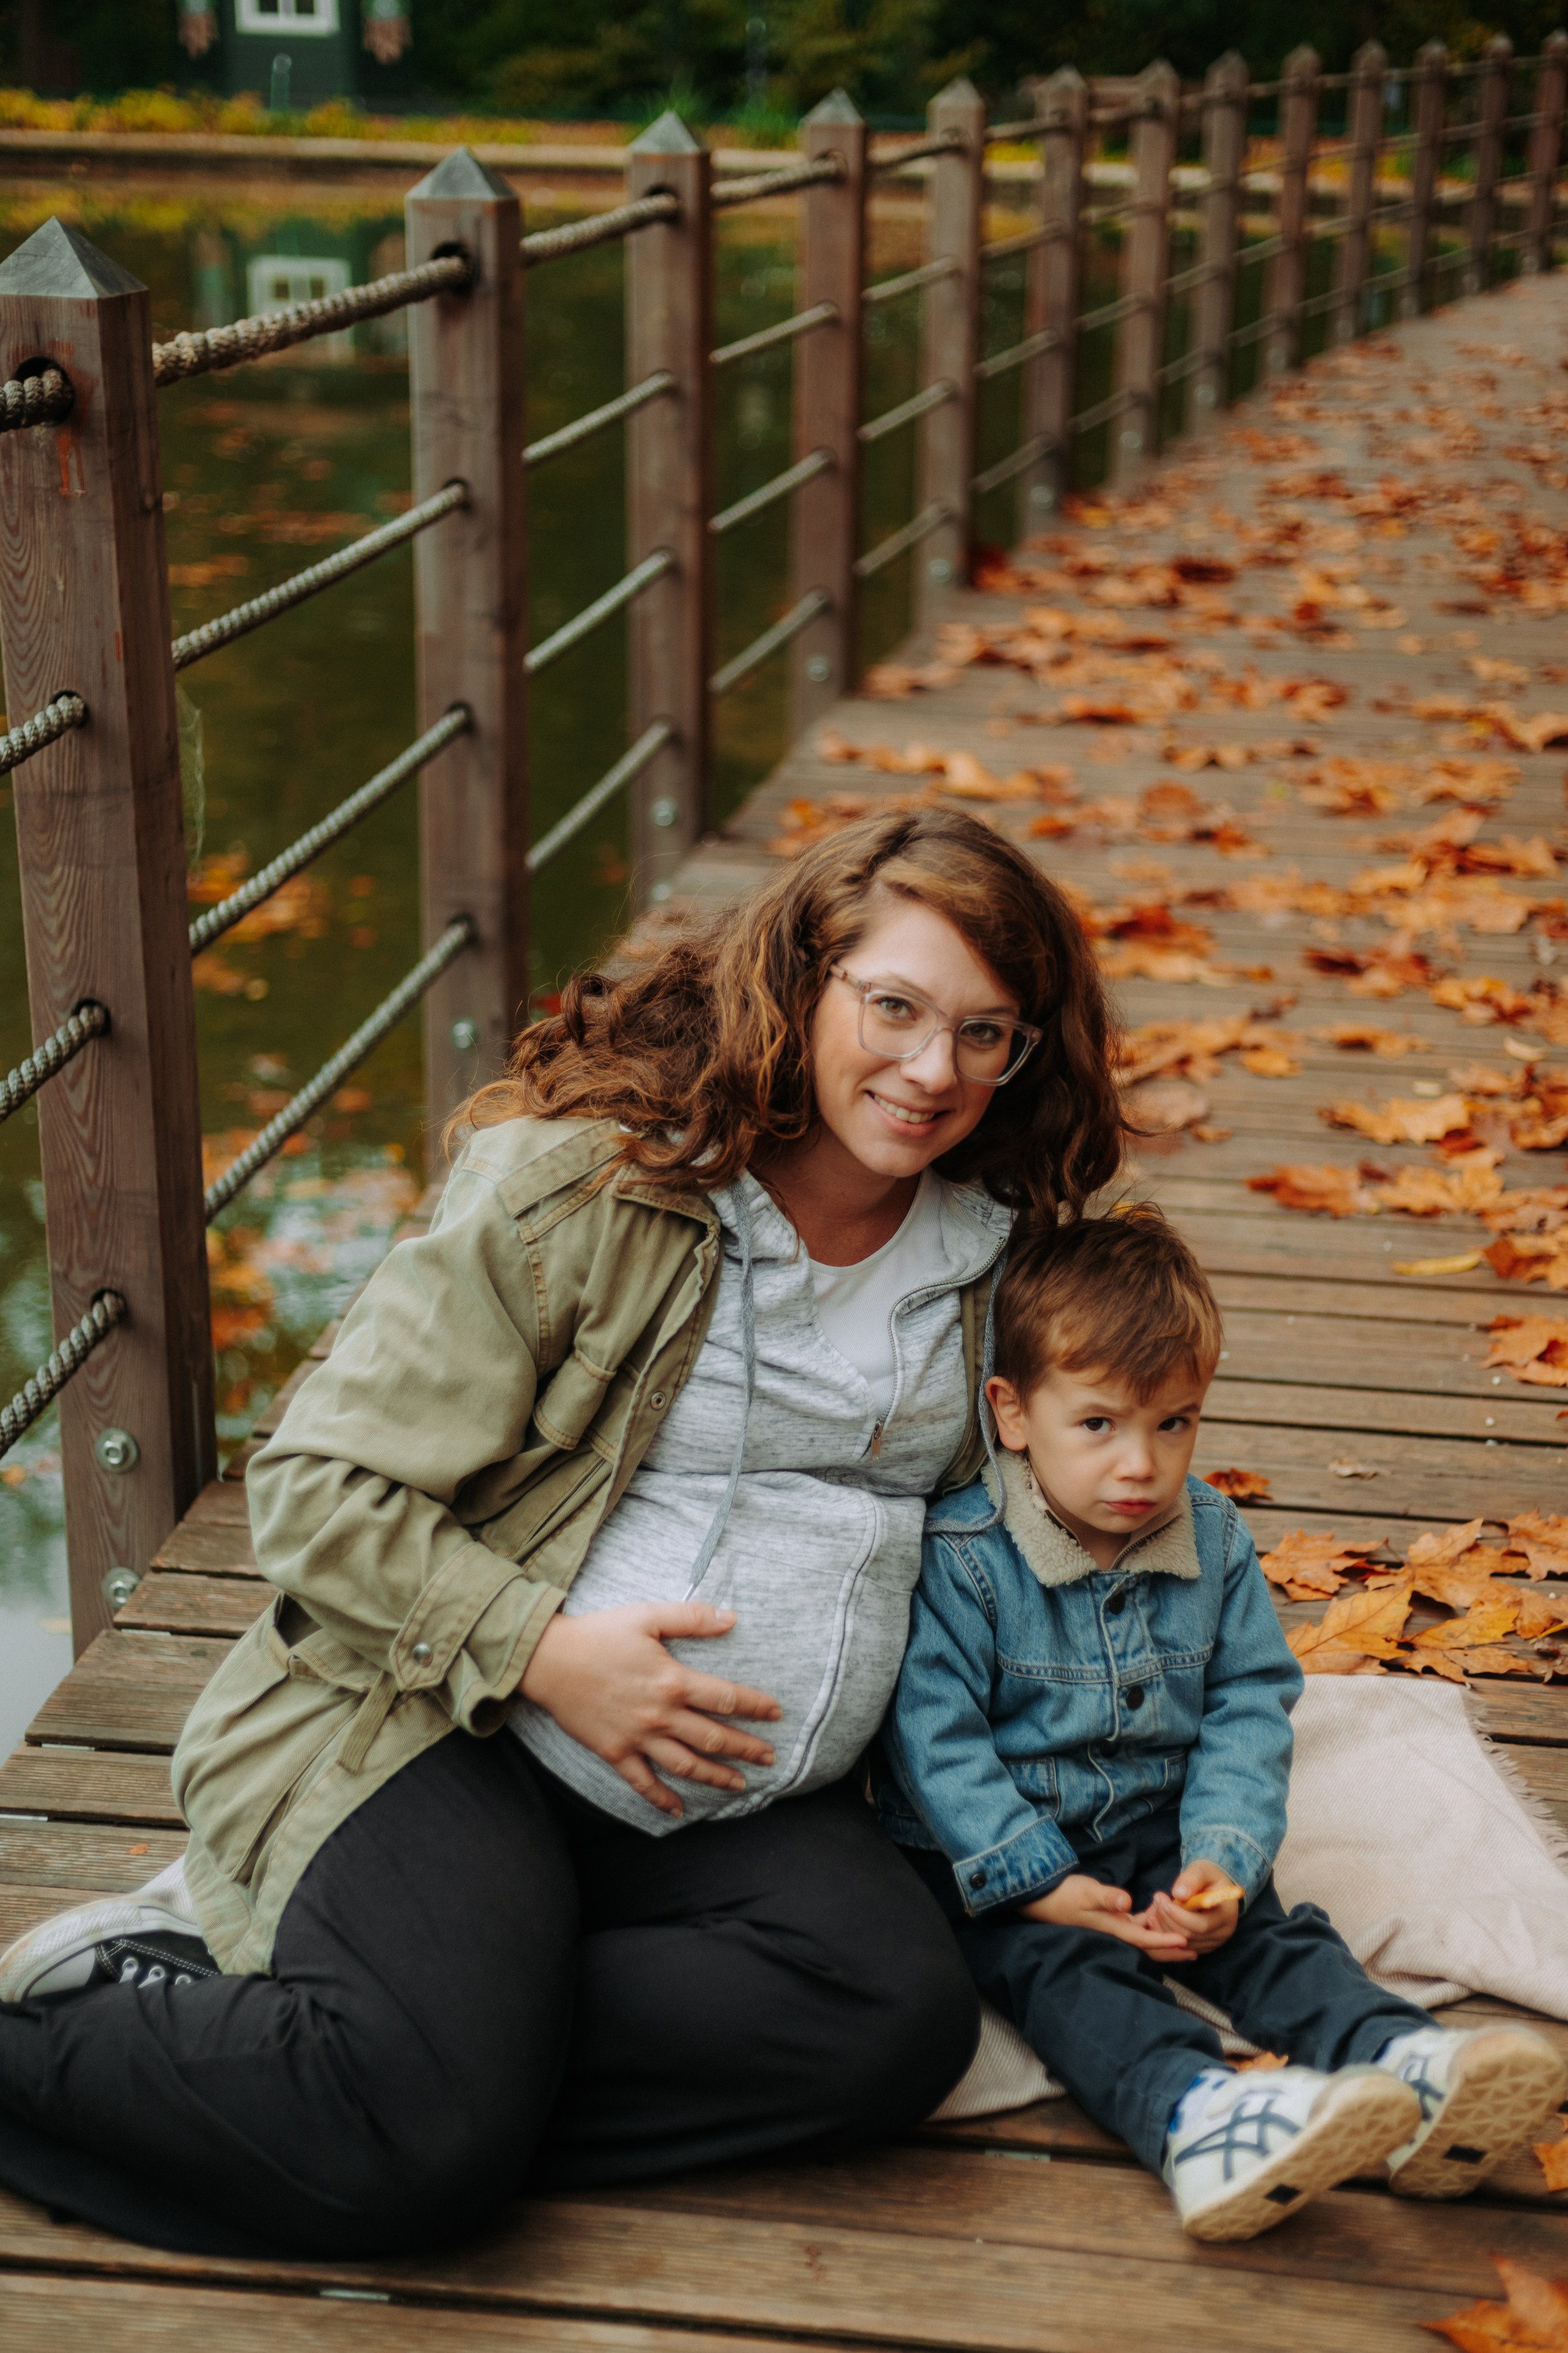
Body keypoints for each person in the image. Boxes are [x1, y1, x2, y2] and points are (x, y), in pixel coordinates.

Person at [0, 808, 1125, 2258]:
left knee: (893, 2023)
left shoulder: (994, 1255)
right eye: (894, 1008)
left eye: (987, 1034)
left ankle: (354, 2044)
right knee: (423, 2158)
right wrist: (544, 1655)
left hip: (726, 1806)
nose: (931, 1071)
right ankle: (145, 2041)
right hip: (447, 1734)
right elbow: (317, 1498)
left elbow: (1060, 1495)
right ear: (803, 978)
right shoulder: (589, 1188)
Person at [877, 1209, 1567, 2243]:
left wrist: (1222, 1860)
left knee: (1268, 1936)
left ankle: (1402, 2063)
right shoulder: (967, 1558)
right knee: (1065, 1977)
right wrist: (1038, 1882)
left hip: (1156, 1822)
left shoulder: (1210, 1537)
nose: (1141, 1466)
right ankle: (1199, 2115)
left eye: (1174, 1423)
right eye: (1099, 1424)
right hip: (999, 1858)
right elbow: (935, 1742)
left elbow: (1248, 1702)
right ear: (1012, 1414)